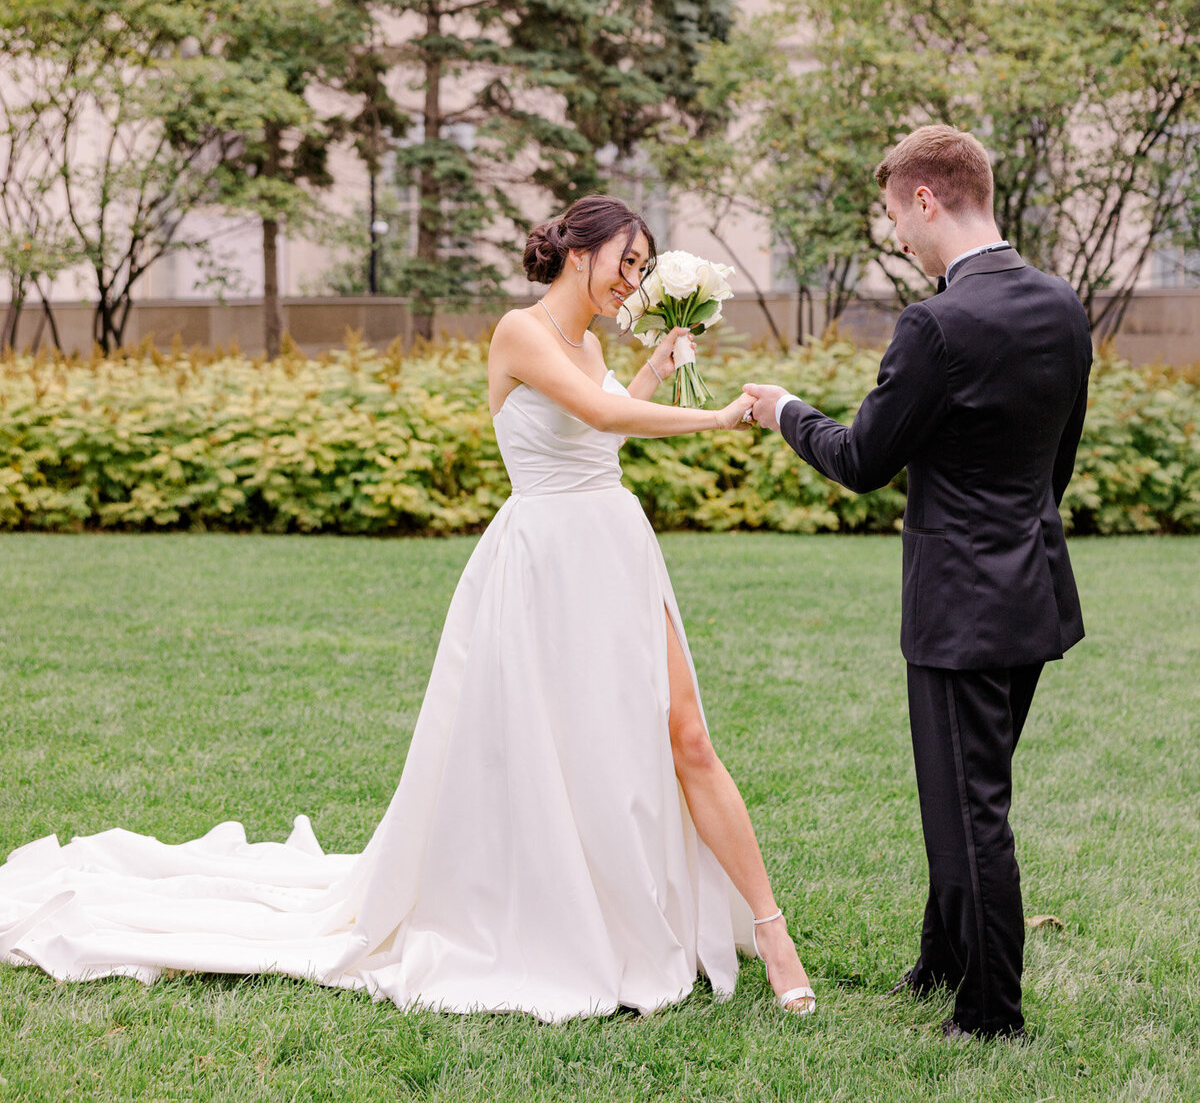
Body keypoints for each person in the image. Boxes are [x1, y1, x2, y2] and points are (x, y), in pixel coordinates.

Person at [0, 195, 815, 1023]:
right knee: (557, 750)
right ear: (581, 252)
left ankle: (770, 927)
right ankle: (559, 908)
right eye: (626, 263)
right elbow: (597, 412)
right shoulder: (519, 331)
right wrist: (713, 414)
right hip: (543, 562)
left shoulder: (591, 343)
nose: (633, 281)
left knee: (685, 734)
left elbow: (601, 433)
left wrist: (658, 365)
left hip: (615, 547)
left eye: (645, 269)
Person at [745, 125, 1091, 1043]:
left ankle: (991, 1014)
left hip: (960, 607)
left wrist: (784, 408)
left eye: (895, 214)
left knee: (970, 808)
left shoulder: (936, 324)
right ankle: (942, 961)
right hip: (1033, 588)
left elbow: (861, 458)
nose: (895, 233)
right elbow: (1057, 461)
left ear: (927, 200)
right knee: (974, 789)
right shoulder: (1061, 303)